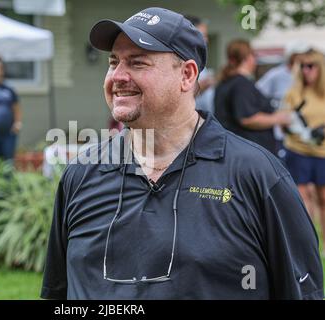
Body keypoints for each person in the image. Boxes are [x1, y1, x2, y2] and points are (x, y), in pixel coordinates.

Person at [41, 7, 323, 300]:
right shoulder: (81, 175)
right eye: (114, 62)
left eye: (137, 63)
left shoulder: (258, 176)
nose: (118, 76)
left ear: (187, 75)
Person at [214, 39, 292, 154]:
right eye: (253, 55)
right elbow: (247, 118)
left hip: (234, 147)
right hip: (247, 151)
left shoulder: (226, 81)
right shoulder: (241, 84)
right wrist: (278, 118)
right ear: (248, 58)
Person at [282, 49, 325, 249]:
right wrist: (289, 125)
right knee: (302, 198)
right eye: (303, 66)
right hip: (297, 151)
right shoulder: (294, 92)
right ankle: (308, 245)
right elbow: (283, 119)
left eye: (311, 66)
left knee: (322, 198)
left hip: (322, 153)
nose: (306, 71)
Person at [256, 41, 311, 159]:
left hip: (304, 133)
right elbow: (257, 93)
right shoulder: (276, 74)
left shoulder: (310, 75)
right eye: (299, 55)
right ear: (291, 56)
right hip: (281, 134)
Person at [185, 15, 215, 113]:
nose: (206, 40)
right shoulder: (179, 62)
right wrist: (201, 87)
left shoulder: (199, 62)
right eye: (203, 35)